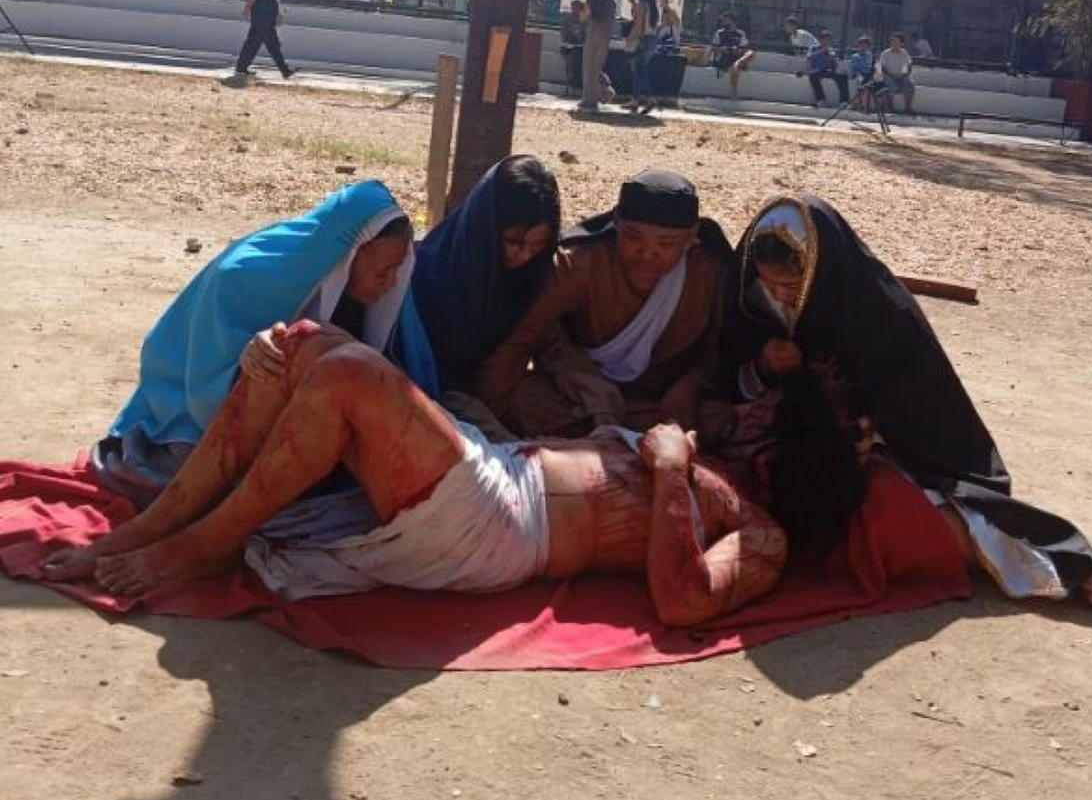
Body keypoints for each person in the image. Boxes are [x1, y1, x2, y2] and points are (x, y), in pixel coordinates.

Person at [42, 326, 794, 627]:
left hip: (504, 529)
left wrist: (667, 473)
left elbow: (685, 600)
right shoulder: (701, 435)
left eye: (768, 421)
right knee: (301, 344)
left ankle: (197, 546)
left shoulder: (759, 529)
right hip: (492, 469)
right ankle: (154, 525)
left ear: (786, 458)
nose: (752, 415)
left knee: (346, 377)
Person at [703, 196, 1092, 611]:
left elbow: (911, 411)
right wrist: (761, 366)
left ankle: (1066, 565)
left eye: (791, 287)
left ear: (820, 274)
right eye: (769, 286)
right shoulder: (748, 298)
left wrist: (857, 435)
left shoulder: (881, 316)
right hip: (779, 448)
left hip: (883, 459)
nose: (780, 298)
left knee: (891, 522)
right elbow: (726, 378)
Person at [87, 180, 439, 508]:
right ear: (348, 258)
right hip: (187, 414)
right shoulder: (242, 277)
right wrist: (251, 364)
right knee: (203, 488)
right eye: (382, 273)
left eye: (397, 269)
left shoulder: (381, 293)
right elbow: (203, 389)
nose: (391, 284)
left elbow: (404, 378)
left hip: (292, 419)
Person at [477, 169, 732, 439]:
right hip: (580, 397)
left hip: (658, 404)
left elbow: (718, 354)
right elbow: (526, 336)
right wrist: (584, 384)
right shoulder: (579, 263)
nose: (647, 254)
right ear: (617, 222)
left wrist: (689, 388)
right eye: (634, 238)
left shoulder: (711, 272)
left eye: (666, 243)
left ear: (691, 235)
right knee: (519, 399)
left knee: (721, 418)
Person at [410, 156, 561, 396]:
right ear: (486, 229)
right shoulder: (434, 271)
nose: (525, 256)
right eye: (514, 242)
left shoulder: (539, 271)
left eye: (537, 246)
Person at [233, 0, 293, 83]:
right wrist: (246, 9)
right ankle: (285, 70)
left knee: (254, 44)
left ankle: (241, 68)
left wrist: (279, 13)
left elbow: (274, 0)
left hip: (267, 18)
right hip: (262, 17)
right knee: (271, 45)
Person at [578, 0, 616, 112]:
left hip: (592, 38)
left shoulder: (590, 3)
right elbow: (612, 22)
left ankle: (590, 99)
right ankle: (603, 93)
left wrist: (582, 8)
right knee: (596, 69)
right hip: (604, 39)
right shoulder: (611, 3)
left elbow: (583, 18)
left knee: (589, 70)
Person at [624, 0, 660, 115]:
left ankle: (650, 98)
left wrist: (630, 38)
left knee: (640, 71)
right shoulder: (653, 7)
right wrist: (633, 3)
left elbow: (638, 24)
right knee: (639, 71)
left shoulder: (642, 5)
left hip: (641, 40)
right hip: (651, 40)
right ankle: (635, 100)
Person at [711, 11, 754, 98]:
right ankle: (734, 93)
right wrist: (722, 49)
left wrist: (738, 50)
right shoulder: (719, 33)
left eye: (726, 20)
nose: (724, 23)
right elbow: (714, 48)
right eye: (723, 21)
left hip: (737, 57)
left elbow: (744, 48)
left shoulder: (741, 33)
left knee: (751, 53)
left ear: (733, 22)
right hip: (724, 58)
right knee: (734, 69)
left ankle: (737, 64)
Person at [806, 28, 849, 107]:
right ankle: (820, 99)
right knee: (813, 77)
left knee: (843, 77)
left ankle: (843, 101)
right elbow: (808, 57)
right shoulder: (814, 48)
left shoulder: (831, 50)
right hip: (816, 71)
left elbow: (835, 65)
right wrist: (821, 51)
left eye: (828, 40)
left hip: (827, 71)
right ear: (821, 40)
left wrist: (831, 57)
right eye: (825, 39)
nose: (827, 42)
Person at [876, 32, 916, 115]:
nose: (894, 43)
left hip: (901, 75)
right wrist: (890, 75)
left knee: (910, 86)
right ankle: (889, 108)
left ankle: (908, 108)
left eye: (897, 41)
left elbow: (909, 64)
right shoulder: (885, 53)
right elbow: (883, 68)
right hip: (888, 75)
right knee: (891, 87)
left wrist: (906, 74)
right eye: (892, 41)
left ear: (902, 43)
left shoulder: (904, 53)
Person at [560, 0, 587, 97]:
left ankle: (579, 85)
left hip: (581, 49)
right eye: (573, 8)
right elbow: (564, 35)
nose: (574, 11)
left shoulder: (585, 21)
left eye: (577, 8)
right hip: (568, 48)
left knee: (580, 59)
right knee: (573, 59)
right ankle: (574, 84)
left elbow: (586, 36)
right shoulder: (567, 20)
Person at [848, 35, 875, 111]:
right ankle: (860, 106)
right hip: (859, 74)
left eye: (865, 45)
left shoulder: (870, 55)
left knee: (869, 85)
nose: (863, 47)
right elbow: (855, 68)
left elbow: (870, 66)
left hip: (868, 75)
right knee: (861, 84)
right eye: (861, 45)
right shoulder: (855, 56)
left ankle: (866, 106)